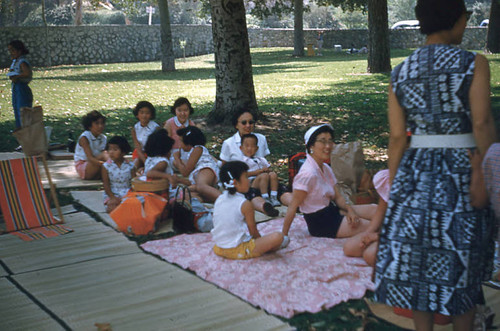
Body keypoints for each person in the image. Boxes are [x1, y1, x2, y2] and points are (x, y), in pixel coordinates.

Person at [374, 0, 498, 329]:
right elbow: (482, 124)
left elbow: (398, 137)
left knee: (419, 269)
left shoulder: (400, 72)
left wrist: (397, 188)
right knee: (463, 266)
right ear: (455, 19)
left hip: (415, 176)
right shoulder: (474, 64)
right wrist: (487, 177)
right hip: (464, 173)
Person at [282, 124, 375, 242]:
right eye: (322, 141)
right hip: (321, 224)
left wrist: (350, 210)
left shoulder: (325, 168)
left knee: (375, 210)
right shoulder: (307, 174)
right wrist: (283, 235)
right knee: (372, 226)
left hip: (332, 211)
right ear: (311, 146)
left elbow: (338, 197)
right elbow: (293, 206)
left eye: (330, 141)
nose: (328, 146)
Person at [211, 161, 285, 260]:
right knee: (279, 237)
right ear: (235, 182)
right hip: (237, 249)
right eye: (246, 177)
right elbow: (253, 232)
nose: (249, 181)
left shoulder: (220, 198)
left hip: (219, 247)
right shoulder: (245, 204)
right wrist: (263, 243)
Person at [343, 169, 389, 266]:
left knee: (369, 255)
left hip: (400, 234)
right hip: (387, 228)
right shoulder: (390, 178)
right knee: (349, 248)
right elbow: (381, 210)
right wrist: (369, 232)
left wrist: (378, 236)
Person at [173, 126, 221, 203]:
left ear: (188, 143)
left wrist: (177, 158)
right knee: (186, 194)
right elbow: (189, 177)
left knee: (201, 186)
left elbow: (185, 173)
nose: (180, 145)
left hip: (206, 169)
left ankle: (226, 200)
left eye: (181, 141)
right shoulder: (191, 152)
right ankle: (204, 198)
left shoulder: (197, 149)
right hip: (199, 174)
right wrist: (179, 179)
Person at [239, 133, 281, 207]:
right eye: (247, 146)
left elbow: (269, 169)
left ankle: (274, 196)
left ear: (256, 148)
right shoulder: (242, 161)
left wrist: (267, 170)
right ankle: (265, 197)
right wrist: (256, 172)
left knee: (273, 174)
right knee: (264, 176)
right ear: (241, 148)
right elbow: (242, 174)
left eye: (252, 146)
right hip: (252, 184)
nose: (249, 148)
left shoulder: (261, 159)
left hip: (265, 180)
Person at [101, 136, 135, 213]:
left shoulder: (131, 166)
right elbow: (106, 184)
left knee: (134, 205)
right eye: (109, 149)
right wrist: (112, 197)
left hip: (127, 193)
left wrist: (131, 195)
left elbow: (134, 183)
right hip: (112, 193)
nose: (111, 152)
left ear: (123, 152)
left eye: (115, 149)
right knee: (111, 208)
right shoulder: (106, 166)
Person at [74, 110, 108, 180]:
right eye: (97, 123)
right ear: (89, 126)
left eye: (102, 123)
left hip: (95, 164)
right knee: (105, 154)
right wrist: (106, 165)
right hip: (84, 166)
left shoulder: (103, 138)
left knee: (107, 154)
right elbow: (90, 158)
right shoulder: (84, 138)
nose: (100, 126)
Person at [7, 40, 33, 128]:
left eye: (13, 50)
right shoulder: (16, 61)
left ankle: (25, 132)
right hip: (16, 87)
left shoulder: (22, 61)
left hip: (21, 88)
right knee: (16, 109)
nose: (11, 53)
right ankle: (20, 131)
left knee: (22, 111)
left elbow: (27, 73)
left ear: (19, 51)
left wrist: (17, 76)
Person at [164, 97, 196, 165]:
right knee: (181, 163)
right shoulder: (169, 124)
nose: (182, 113)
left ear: (190, 111)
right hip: (173, 154)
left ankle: (218, 163)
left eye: (185, 110)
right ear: (175, 111)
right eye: (179, 110)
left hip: (188, 153)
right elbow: (165, 144)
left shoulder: (191, 124)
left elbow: (194, 144)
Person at [131, 101, 160, 169]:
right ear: (137, 114)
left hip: (152, 153)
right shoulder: (135, 128)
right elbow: (137, 147)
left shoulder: (155, 127)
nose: (144, 115)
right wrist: (145, 162)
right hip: (139, 152)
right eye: (141, 112)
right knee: (136, 164)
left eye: (147, 113)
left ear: (151, 114)